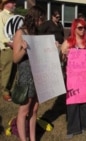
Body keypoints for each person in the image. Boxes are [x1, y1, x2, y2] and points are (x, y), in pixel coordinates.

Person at [12, 6, 46, 141]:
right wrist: (24, 50)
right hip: (26, 75)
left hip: (37, 74)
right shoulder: (20, 33)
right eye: (41, 19)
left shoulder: (36, 34)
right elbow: (15, 59)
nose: (42, 22)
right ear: (35, 18)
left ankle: (32, 138)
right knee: (24, 110)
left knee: (35, 109)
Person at [61, 18, 86, 138]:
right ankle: (72, 128)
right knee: (72, 102)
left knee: (84, 102)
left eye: (84, 28)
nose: (82, 30)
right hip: (72, 77)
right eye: (80, 28)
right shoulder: (68, 42)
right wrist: (65, 54)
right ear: (74, 28)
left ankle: (83, 125)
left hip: (85, 77)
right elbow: (62, 59)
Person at [0, 0, 16, 101]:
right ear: (6, 4)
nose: (14, 4)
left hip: (15, 46)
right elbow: (0, 32)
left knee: (13, 71)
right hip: (7, 48)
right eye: (12, 2)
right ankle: (4, 91)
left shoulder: (14, 16)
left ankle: (9, 89)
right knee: (7, 71)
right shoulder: (1, 15)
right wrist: (8, 42)